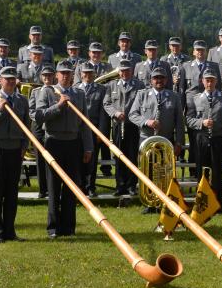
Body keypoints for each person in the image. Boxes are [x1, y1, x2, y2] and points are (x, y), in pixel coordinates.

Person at [33, 61, 93, 239]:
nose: (65, 76)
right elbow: (39, 116)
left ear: (73, 75)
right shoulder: (47, 91)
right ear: (56, 75)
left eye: (68, 73)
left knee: (71, 188)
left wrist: (88, 147)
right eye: (62, 73)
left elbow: (85, 124)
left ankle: (68, 228)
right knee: (53, 187)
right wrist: (58, 105)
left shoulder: (79, 94)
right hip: (53, 142)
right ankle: (53, 228)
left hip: (73, 143)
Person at [0, 66, 30, 243]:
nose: (10, 81)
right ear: (0, 81)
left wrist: (24, 146)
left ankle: (10, 231)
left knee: (11, 193)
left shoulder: (22, 101)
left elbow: (27, 127)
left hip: (15, 151)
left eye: (12, 79)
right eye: (6, 78)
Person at [186, 69, 222, 204]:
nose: (209, 83)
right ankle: (202, 202)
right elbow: (188, 120)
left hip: (218, 139)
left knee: (217, 172)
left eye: (212, 80)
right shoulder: (195, 99)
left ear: (216, 81)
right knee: (201, 173)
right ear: (202, 81)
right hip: (201, 139)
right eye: (207, 80)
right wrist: (202, 122)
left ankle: (217, 203)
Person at [103, 59, 146, 195]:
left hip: (133, 126)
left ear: (131, 71)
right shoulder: (111, 85)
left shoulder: (139, 85)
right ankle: (120, 186)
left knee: (132, 156)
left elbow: (142, 104)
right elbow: (107, 103)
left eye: (127, 70)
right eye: (122, 70)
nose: (124, 73)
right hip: (117, 126)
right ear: (119, 72)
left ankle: (131, 186)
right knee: (119, 156)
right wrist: (115, 113)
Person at [76, 62, 110, 197]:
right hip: (77, 129)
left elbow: (103, 113)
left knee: (92, 160)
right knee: (78, 159)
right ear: (80, 74)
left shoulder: (101, 89)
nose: (87, 75)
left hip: (93, 129)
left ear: (94, 74)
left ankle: (91, 187)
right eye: (85, 72)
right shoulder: (75, 88)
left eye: (90, 73)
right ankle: (79, 187)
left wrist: (100, 132)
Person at [28, 65, 56, 198]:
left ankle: (52, 188)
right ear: (41, 77)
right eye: (45, 75)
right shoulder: (35, 91)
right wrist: (40, 118)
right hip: (38, 128)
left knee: (52, 159)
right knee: (39, 159)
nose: (47, 78)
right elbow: (31, 111)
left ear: (54, 76)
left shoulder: (57, 91)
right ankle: (42, 189)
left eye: (49, 75)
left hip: (53, 128)